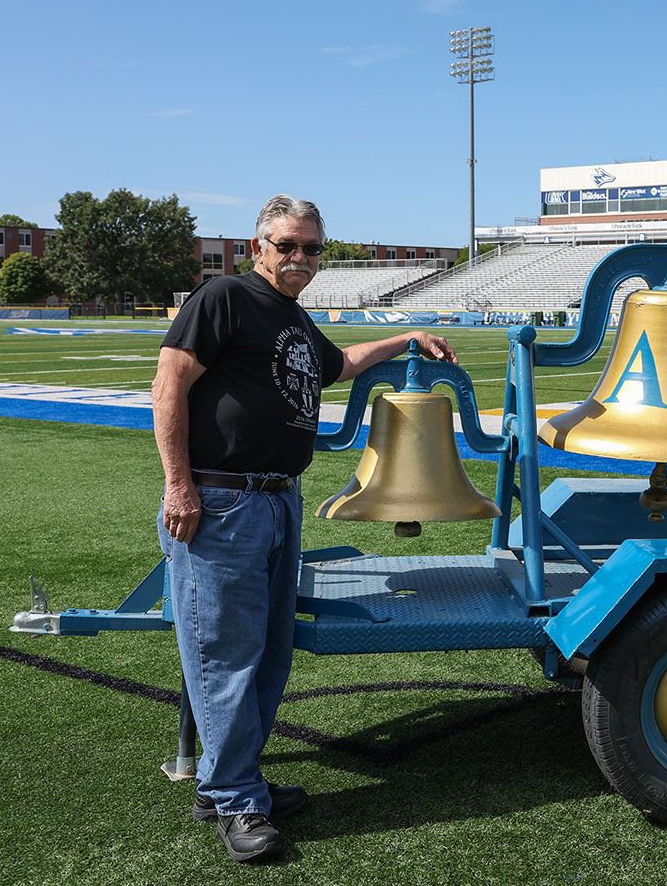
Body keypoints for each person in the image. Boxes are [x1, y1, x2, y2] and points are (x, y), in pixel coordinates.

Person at [152, 195, 457, 861]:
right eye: (286, 245)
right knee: (225, 654)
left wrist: (405, 339)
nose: (299, 259)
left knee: (267, 652)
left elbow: (339, 366)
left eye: (311, 249)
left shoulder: (290, 315)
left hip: (278, 499)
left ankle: (228, 781)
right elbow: (170, 380)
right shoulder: (225, 297)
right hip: (223, 500)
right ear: (257, 246)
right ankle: (235, 801)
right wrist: (180, 485)